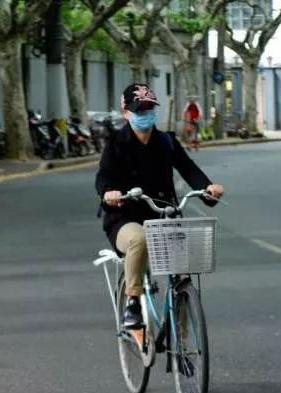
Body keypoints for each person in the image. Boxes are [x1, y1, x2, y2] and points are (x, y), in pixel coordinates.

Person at [96, 83, 225, 330]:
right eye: (139, 109)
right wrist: (108, 193)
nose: (145, 114)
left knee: (184, 276)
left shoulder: (166, 141)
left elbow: (188, 169)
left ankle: (184, 344)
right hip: (124, 218)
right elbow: (103, 176)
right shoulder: (116, 142)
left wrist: (208, 189)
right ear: (126, 113)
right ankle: (133, 302)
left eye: (149, 108)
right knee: (139, 239)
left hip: (163, 215)